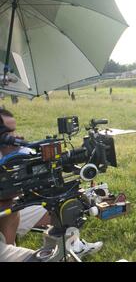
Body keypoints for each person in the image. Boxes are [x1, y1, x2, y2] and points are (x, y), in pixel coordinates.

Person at [0, 109, 103, 260]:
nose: (13, 136)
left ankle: (74, 245)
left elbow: (37, 159)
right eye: (7, 132)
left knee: (62, 203)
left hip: (10, 207)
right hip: (5, 208)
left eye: (13, 130)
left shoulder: (12, 150)